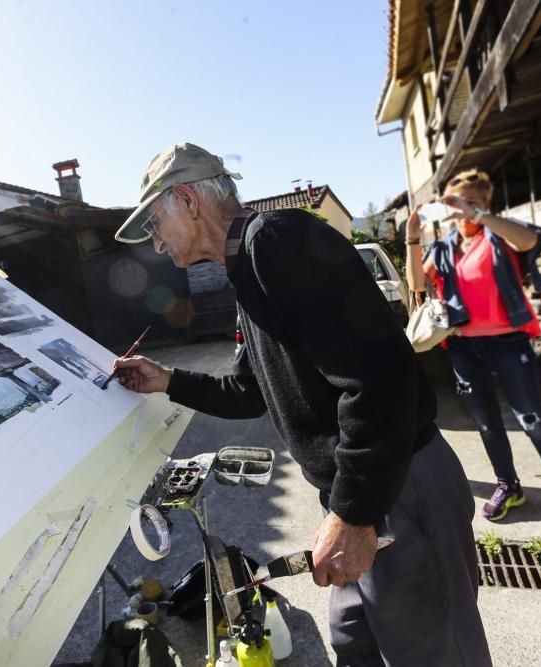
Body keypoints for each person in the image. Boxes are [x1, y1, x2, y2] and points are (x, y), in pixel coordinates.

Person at [112, 142, 492, 666]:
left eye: (155, 225)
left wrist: (352, 514)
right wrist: (167, 381)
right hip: (362, 492)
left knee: (434, 654)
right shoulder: (246, 267)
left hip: (397, 484)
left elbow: (379, 380)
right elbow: (251, 390)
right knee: (353, 643)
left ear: (187, 200)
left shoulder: (277, 242)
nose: (155, 246)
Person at [404, 168, 541, 539]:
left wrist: (477, 214)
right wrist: (412, 240)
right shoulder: (444, 246)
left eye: (473, 202)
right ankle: (508, 485)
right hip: (463, 347)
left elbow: (529, 240)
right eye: (457, 203)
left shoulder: (499, 235)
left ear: (485, 204)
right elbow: (417, 284)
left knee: (534, 421)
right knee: (487, 424)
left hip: (508, 344)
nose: (463, 210)